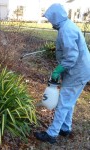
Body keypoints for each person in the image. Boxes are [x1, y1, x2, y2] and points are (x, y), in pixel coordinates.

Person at [34, 3, 90, 144]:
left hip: (77, 72)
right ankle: (65, 128)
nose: (49, 22)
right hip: (80, 70)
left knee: (63, 103)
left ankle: (52, 134)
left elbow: (71, 57)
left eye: (50, 19)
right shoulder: (67, 26)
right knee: (69, 102)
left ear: (56, 17)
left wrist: (58, 69)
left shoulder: (66, 30)